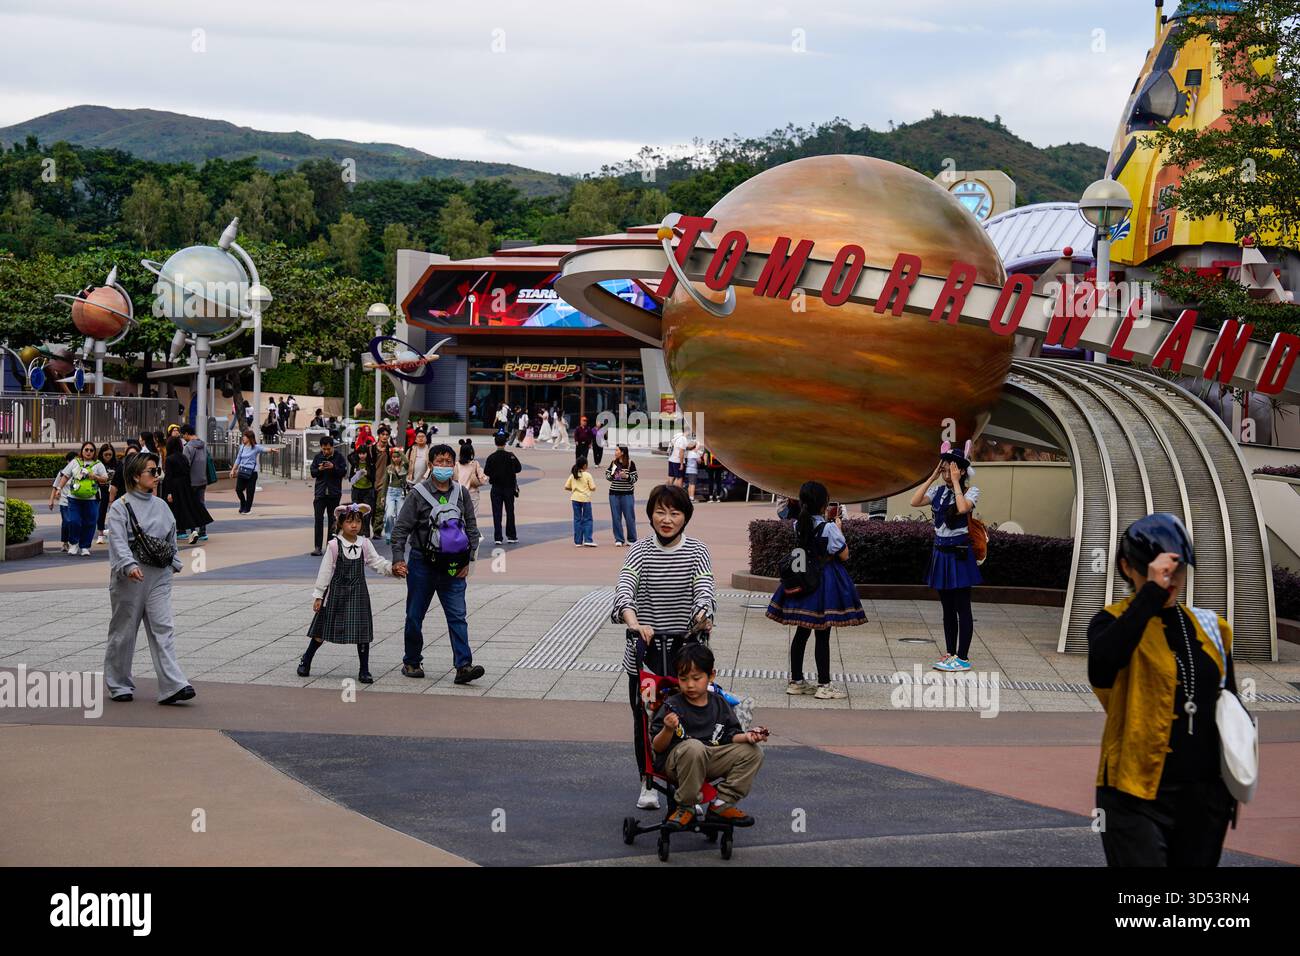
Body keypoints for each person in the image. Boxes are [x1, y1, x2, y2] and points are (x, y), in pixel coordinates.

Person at [1089, 513, 1238, 867]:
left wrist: (1227, 790)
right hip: (1133, 795)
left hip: (1203, 800)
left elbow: (1230, 706)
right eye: (1157, 571)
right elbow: (1103, 666)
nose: (1170, 579)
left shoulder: (1212, 628)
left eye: (1177, 570)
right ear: (1128, 567)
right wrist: (1151, 594)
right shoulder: (1111, 622)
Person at [611, 483, 715, 810]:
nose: (666, 519)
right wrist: (633, 622)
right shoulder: (640, 550)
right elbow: (624, 589)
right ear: (650, 515)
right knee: (645, 718)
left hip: (687, 656)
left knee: (693, 719)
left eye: (674, 512)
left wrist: (703, 614)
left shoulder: (697, 551)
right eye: (659, 511)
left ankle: (691, 786)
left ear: (686, 517)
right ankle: (647, 782)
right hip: (646, 657)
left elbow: (705, 591)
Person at [103, 452, 195, 705]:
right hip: (130, 577)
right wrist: (128, 565)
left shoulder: (162, 506)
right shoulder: (120, 506)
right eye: (152, 472)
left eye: (157, 471)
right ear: (135, 476)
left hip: (160, 575)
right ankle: (118, 683)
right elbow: (118, 542)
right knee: (124, 631)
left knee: (163, 628)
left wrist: (174, 563)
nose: (157, 476)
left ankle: (173, 685)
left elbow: (171, 537)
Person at [391, 444, 484, 684]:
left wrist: (469, 562)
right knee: (414, 615)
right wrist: (398, 558)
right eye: (439, 461)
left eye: (448, 461)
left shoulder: (461, 494)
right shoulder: (418, 493)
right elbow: (401, 529)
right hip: (422, 563)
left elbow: (472, 529)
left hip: (453, 566)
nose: (444, 465)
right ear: (431, 465)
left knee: (457, 616)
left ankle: (463, 666)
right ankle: (411, 661)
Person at [765, 480, 866, 699]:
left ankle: (796, 680)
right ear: (824, 505)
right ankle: (824, 684)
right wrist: (839, 530)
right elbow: (844, 555)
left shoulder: (798, 524)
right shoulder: (829, 528)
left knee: (802, 631)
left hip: (803, 579)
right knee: (823, 633)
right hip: (824, 581)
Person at [649, 642, 766, 831]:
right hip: (678, 762)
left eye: (696, 678)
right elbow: (658, 747)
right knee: (694, 747)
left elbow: (730, 735)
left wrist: (749, 737)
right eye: (683, 678)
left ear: (711, 676)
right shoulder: (672, 704)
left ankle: (722, 803)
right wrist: (668, 729)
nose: (690, 685)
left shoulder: (719, 703)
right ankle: (685, 806)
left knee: (753, 752)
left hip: (711, 756)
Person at [300, 503, 403, 684]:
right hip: (335, 594)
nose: (354, 525)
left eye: (357, 521)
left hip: (358, 593)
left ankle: (364, 669)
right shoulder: (334, 545)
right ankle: (306, 659)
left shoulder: (365, 544)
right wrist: (318, 595)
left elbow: (376, 562)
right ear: (340, 524)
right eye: (349, 522)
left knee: (362, 630)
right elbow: (325, 572)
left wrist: (391, 569)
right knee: (321, 629)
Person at [910, 440, 981, 672]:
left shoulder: (971, 491)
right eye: (944, 468)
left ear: (961, 470)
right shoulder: (937, 491)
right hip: (940, 553)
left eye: (951, 467)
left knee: (963, 607)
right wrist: (931, 477)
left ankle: (962, 657)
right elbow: (915, 501)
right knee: (947, 608)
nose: (946, 472)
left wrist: (957, 482)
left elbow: (962, 508)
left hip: (959, 555)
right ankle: (950, 653)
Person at [51, 442, 108, 556]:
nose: (88, 452)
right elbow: (65, 475)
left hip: (92, 499)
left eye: (91, 450)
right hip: (74, 498)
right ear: (82, 451)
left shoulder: (98, 464)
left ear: (94, 452)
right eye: (86, 449)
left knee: (90, 522)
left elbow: (105, 479)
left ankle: (85, 546)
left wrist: (94, 476)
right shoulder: (75, 462)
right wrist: (59, 488)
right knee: (74, 521)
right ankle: (73, 543)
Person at [162, 435, 211, 540]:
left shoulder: (169, 459)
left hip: (174, 486)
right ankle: (194, 530)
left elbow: (169, 476)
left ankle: (178, 531)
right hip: (185, 485)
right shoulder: (183, 457)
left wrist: (169, 492)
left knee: (175, 510)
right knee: (188, 507)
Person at [309, 436, 348, 556]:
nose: (326, 451)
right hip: (320, 494)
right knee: (318, 520)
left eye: (328, 449)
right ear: (321, 447)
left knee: (333, 521)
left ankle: (331, 547)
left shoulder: (339, 457)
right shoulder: (318, 457)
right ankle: (317, 547)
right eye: (324, 449)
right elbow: (313, 473)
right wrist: (320, 469)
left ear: (332, 447)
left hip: (334, 494)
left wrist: (333, 467)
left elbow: (343, 472)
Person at [484, 433, 521, 545]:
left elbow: (486, 471)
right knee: (510, 512)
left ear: (495, 443)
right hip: (509, 488)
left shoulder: (491, 457)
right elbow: (518, 468)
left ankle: (498, 537)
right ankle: (511, 535)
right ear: (505, 443)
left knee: (497, 513)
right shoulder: (511, 456)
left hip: (496, 488)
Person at [181, 424, 210, 543]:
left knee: (191, 505)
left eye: (184, 435)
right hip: (202, 479)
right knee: (201, 504)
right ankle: (203, 530)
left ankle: (193, 530)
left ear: (187, 434)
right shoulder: (203, 444)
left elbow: (185, 464)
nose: (183, 437)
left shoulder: (188, 447)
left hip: (191, 480)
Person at [230, 429, 269, 514]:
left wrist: (271, 450)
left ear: (249, 438)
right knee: (238, 490)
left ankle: (247, 509)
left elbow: (264, 449)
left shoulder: (255, 447)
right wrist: (233, 470)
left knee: (250, 492)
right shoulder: (242, 447)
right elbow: (238, 459)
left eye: (245, 436)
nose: (243, 438)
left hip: (252, 473)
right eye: (243, 436)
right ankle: (243, 503)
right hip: (242, 471)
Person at [606, 443, 638, 546]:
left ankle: (632, 539)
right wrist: (612, 475)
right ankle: (619, 539)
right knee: (616, 517)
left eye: (617, 450)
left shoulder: (630, 463)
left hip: (627, 494)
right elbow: (607, 475)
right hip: (614, 494)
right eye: (615, 450)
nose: (615, 452)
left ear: (622, 452)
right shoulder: (613, 463)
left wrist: (626, 476)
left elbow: (635, 478)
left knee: (629, 517)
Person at [347, 440, 379, 537]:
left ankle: (366, 532)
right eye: (360, 453)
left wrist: (366, 474)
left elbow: (373, 479)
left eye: (364, 453)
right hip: (356, 490)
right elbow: (350, 479)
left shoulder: (371, 465)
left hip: (368, 491)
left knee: (367, 512)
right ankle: (359, 532)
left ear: (367, 454)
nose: (362, 456)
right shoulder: (354, 464)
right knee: (356, 511)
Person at [565, 457, 597, 547]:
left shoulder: (573, 475)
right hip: (585, 499)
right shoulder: (587, 475)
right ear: (585, 465)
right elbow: (593, 487)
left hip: (575, 498)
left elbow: (566, 486)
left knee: (577, 519)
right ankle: (588, 539)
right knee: (587, 519)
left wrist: (574, 489)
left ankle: (578, 541)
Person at [380, 442, 408, 543]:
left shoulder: (405, 467)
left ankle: (399, 534)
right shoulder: (389, 468)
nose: (396, 459)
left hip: (401, 492)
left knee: (400, 515)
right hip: (390, 492)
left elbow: (407, 461)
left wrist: (400, 452)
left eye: (397, 457)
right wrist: (383, 496)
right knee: (389, 514)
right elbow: (385, 483)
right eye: (394, 457)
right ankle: (388, 535)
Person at [454, 439, 488, 515]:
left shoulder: (456, 465)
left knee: (460, 516)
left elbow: (454, 480)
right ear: (471, 452)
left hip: (459, 494)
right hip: (473, 494)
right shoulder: (475, 464)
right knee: (472, 517)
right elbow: (483, 479)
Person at [372, 425, 394, 536]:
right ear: (379, 436)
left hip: (383, 483)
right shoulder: (372, 449)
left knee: (380, 507)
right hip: (371, 482)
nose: (385, 437)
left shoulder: (390, 450)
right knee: (371, 507)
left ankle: (377, 530)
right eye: (383, 434)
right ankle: (369, 527)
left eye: (387, 435)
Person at [95, 443, 118, 545]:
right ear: (102, 454)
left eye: (110, 454)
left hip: (114, 490)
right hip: (102, 490)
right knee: (101, 511)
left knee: (115, 512)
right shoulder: (98, 464)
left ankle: (114, 532)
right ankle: (100, 533)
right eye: (106, 455)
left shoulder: (117, 464)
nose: (108, 457)